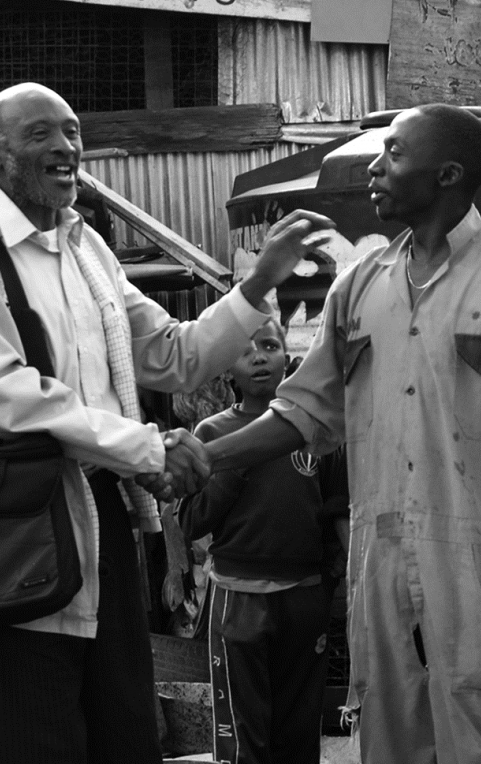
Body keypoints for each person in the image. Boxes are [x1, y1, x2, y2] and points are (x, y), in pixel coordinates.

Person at [199, 103, 481, 764]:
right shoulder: (357, 288)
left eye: (395, 154)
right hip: (380, 559)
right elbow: (302, 413)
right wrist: (196, 457)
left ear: (447, 174)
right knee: (389, 734)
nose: (375, 168)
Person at [0, 81, 333, 764]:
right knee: (42, 732)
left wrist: (255, 288)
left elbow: (172, 352)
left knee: (125, 726)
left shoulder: (86, 249)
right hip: (17, 521)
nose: (66, 146)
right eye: (41, 133)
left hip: (101, 507)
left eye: (72, 130)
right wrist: (145, 446)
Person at [177, 318, 348, 764]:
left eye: (269, 345)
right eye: (245, 349)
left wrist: (330, 586)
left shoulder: (316, 432)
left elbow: (337, 512)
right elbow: (191, 520)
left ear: (289, 361)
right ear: (227, 369)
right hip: (240, 599)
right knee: (242, 734)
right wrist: (237, 461)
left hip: (304, 600)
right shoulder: (212, 435)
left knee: (298, 728)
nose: (258, 356)